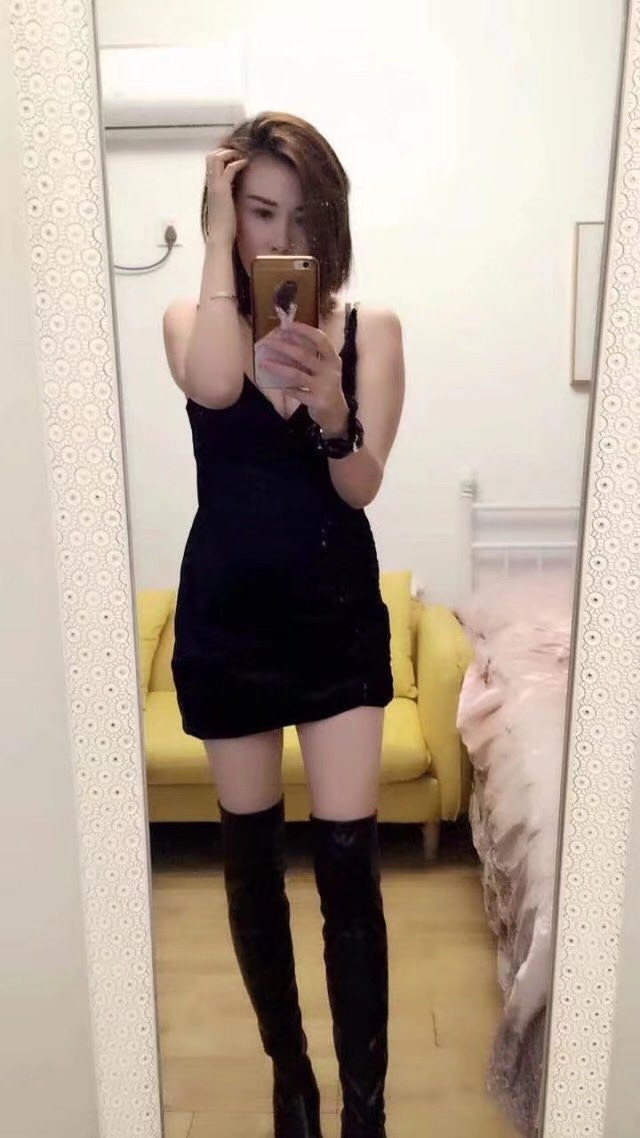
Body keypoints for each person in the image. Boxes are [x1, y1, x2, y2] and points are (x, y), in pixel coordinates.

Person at [162, 111, 405, 1138]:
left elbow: (360, 487)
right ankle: (292, 1080)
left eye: (301, 216)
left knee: (349, 866)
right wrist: (218, 240)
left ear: (330, 221)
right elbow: (218, 384)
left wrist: (333, 411)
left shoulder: (369, 329)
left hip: (333, 612)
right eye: (259, 211)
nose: (281, 235)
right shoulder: (190, 318)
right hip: (227, 615)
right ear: (229, 212)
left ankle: (365, 1108)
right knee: (252, 863)